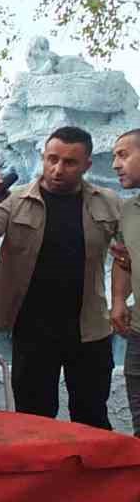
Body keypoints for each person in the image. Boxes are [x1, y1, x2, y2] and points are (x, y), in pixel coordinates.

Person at [0, 127, 119, 428]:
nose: (57, 169)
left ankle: (92, 476)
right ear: (43, 157)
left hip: (89, 328)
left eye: (69, 162)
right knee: (33, 420)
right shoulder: (14, 201)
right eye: (52, 159)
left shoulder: (108, 202)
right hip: (32, 328)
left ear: (87, 165)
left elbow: (128, 251)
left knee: (92, 418)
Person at [110, 130, 140, 432]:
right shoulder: (129, 210)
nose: (116, 164)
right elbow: (122, 257)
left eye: (124, 154)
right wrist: (118, 300)